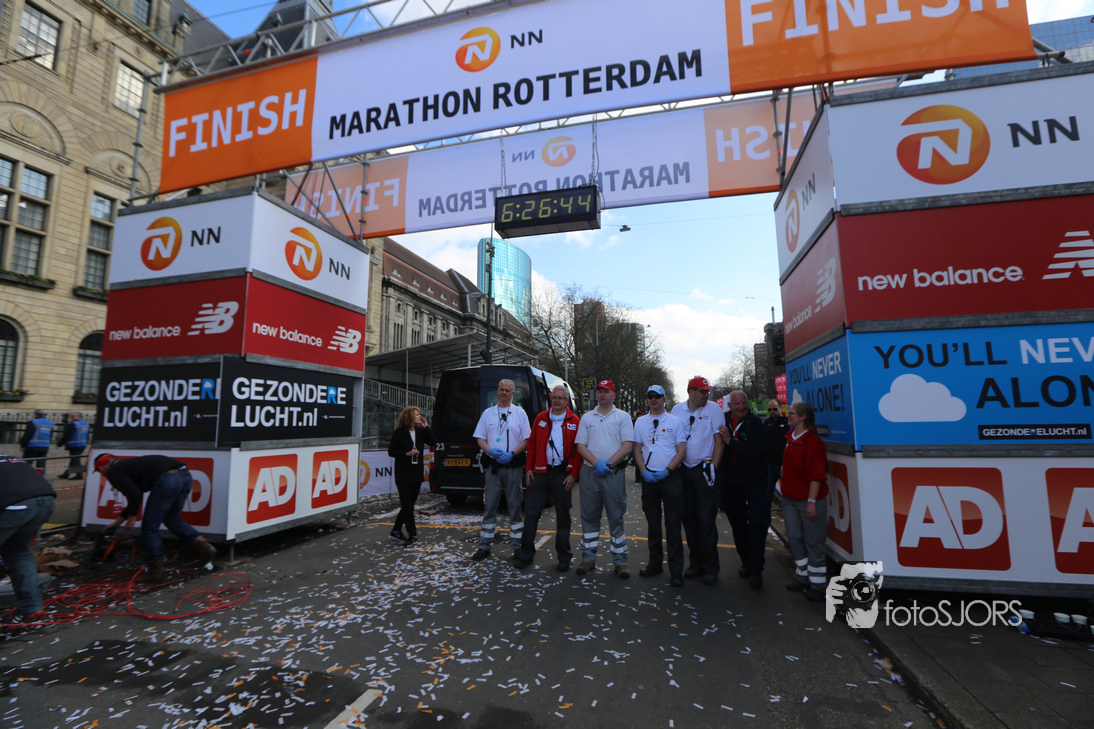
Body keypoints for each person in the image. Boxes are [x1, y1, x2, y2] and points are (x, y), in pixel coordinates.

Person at [94, 453, 216, 582]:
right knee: (172, 519)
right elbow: (134, 496)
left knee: (149, 528)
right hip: (185, 476)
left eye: (99, 472)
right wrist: (117, 524)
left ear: (101, 468)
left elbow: (135, 495)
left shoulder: (113, 472)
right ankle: (205, 546)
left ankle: (154, 571)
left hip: (168, 480)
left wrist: (132, 517)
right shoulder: (127, 466)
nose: (102, 475)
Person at [517, 385, 582, 571]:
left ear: (567, 401)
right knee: (531, 514)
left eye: (560, 398)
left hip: (562, 475)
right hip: (539, 473)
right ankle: (526, 555)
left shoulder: (575, 421)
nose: (557, 401)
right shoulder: (541, 418)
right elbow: (532, 444)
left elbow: (579, 450)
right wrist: (529, 469)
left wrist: (573, 475)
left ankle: (564, 557)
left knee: (563, 516)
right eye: (554, 397)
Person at [574, 379, 634, 578]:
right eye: (600, 391)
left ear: (614, 395)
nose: (603, 394)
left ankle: (620, 561)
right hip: (590, 473)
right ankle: (588, 559)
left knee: (616, 517)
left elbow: (627, 446)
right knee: (589, 516)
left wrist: (607, 464)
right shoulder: (587, 417)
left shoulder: (623, 417)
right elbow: (580, 445)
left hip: (613, 473)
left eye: (607, 391)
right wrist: (595, 462)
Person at [670, 376, 724, 585]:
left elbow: (719, 441)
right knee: (689, 518)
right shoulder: (677, 410)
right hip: (683, 470)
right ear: (690, 391)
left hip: (704, 470)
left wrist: (713, 467)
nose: (706, 395)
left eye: (707, 391)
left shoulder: (713, 410)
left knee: (706, 519)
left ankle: (711, 566)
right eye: (702, 391)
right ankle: (696, 563)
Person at [633, 385, 687, 586]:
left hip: (670, 477)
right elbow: (637, 449)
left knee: (673, 524)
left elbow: (682, 450)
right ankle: (655, 563)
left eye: (657, 396)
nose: (653, 399)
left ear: (664, 399)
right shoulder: (640, 422)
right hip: (650, 478)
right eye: (650, 396)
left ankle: (676, 571)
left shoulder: (675, 421)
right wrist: (643, 471)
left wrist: (668, 470)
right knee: (653, 524)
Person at [470, 379, 530, 562]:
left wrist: (513, 453)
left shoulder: (520, 413)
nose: (504, 393)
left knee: (514, 506)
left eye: (507, 390)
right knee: (490, 506)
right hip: (493, 466)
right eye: (501, 390)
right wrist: (489, 451)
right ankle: (484, 547)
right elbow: (480, 437)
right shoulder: (487, 413)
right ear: (497, 391)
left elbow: (527, 439)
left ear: (513, 393)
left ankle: (517, 547)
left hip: (512, 465)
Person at [718, 391, 769, 589]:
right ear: (730, 405)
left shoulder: (755, 423)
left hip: (755, 482)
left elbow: (756, 452)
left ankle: (756, 569)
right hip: (732, 483)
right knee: (738, 526)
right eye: (737, 404)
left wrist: (731, 442)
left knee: (757, 525)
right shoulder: (722, 421)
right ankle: (746, 561)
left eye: (744, 403)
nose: (741, 407)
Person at [781, 401, 830, 601]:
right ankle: (803, 576)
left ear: (802, 417)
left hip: (807, 499)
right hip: (790, 498)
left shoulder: (812, 442)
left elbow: (816, 475)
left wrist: (811, 501)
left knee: (814, 541)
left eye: (791, 413)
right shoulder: (790, 438)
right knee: (794, 537)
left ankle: (818, 585)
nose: (788, 415)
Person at [0, 455, 56, 624]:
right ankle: (31, 607)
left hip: (15, 505)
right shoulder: (9, 458)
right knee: (18, 551)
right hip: (46, 500)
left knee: (18, 552)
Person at [387, 406, 436, 546]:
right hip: (403, 474)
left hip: (416, 473)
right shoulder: (399, 432)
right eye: (416, 414)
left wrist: (426, 427)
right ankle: (412, 534)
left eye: (419, 414)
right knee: (408, 505)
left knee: (408, 505)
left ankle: (396, 530)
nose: (419, 416)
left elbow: (433, 442)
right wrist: (406, 453)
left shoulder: (420, 431)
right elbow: (391, 451)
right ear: (409, 417)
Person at [764, 400, 790, 501]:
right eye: (770, 409)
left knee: (787, 491)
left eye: (775, 409)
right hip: (770, 464)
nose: (772, 411)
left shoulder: (787, 422)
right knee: (768, 492)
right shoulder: (766, 423)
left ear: (780, 408)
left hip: (784, 464)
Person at [57, 412, 90, 480]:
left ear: (78, 416)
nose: (71, 418)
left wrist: (59, 444)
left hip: (74, 445)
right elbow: (87, 435)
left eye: (73, 416)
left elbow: (67, 435)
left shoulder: (73, 424)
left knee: (76, 461)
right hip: (82, 445)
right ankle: (66, 474)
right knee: (74, 460)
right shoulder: (86, 424)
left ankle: (79, 475)